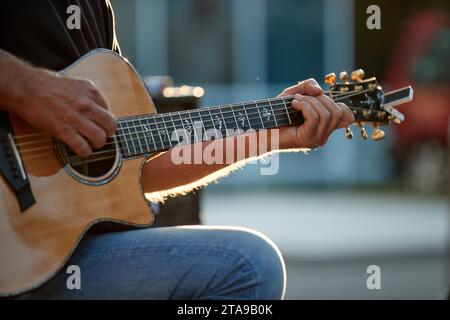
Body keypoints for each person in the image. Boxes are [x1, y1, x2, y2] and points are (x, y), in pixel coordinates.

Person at [0, 1, 354, 299]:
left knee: (249, 265)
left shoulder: (93, 9)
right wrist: (30, 90)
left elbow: (143, 167)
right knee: (249, 266)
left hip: (64, 259)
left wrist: (276, 136)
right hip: (14, 261)